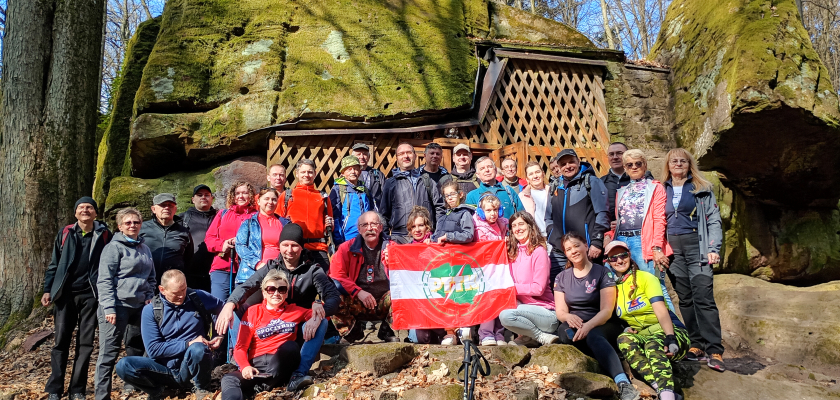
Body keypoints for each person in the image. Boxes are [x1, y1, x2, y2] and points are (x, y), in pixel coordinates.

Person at [217, 223, 339, 391]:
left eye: (294, 245)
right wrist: (229, 304)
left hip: (300, 324)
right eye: (285, 245)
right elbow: (247, 286)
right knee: (237, 309)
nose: (289, 250)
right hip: (271, 324)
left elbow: (333, 296)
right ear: (279, 246)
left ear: (301, 247)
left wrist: (319, 313)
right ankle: (240, 362)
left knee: (322, 321)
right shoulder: (271, 267)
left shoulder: (312, 271)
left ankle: (299, 374)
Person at [115, 270, 224, 400]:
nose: (181, 296)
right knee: (124, 365)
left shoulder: (197, 297)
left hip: (192, 364)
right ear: (162, 290)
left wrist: (219, 335)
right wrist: (188, 344)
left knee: (198, 348)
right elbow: (154, 349)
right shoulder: (151, 310)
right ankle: (157, 391)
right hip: (163, 369)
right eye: (176, 293)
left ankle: (202, 388)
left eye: (183, 289)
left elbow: (224, 310)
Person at [554, 235, 639, 400]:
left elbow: (606, 311)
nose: (573, 251)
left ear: (586, 246)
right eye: (569, 249)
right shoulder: (561, 277)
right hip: (577, 324)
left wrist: (588, 326)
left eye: (576, 246)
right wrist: (568, 317)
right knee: (565, 334)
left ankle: (623, 382)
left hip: (603, 323)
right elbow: (560, 311)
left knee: (593, 335)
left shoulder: (602, 272)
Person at [42, 197, 112, 400]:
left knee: (86, 344)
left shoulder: (104, 234)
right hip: (65, 295)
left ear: (95, 213)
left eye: (89, 207)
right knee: (60, 342)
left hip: (91, 296)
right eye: (81, 207)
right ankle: (55, 389)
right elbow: (54, 263)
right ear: (75, 212)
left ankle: (77, 389)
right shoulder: (65, 233)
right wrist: (48, 289)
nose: (85, 210)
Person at [663, 148, 725, 372]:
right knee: (686, 298)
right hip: (673, 252)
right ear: (668, 165)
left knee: (703, 298)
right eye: (674, 161)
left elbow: (714, 220)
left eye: (683, 161)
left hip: (697, 248)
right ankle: (696, 344)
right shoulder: (661, 189)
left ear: (690, 165)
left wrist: (713, 248)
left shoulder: (702, 188)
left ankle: (714, 349)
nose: (678, 164)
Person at [606, 241, 690, 400]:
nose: (619, 260)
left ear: (629, 255)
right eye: (613, 258)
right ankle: (663, 389)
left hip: (671, 331)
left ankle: (667, 397)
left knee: (653, 344)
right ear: (608, 262)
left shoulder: (646, 278)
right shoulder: (613, 287)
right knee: (623, 340)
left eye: (623, 255)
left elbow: (660, 309)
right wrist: (625, 328)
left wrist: (670, 336)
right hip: (644, 335)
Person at [220, 270, 323, 399]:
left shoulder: (295, 310)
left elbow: (324, 317)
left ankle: (271, 384)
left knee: (290, 347)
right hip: (257, 366)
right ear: (264, 293)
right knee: (228, 379)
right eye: (271, 289)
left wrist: (316, 304)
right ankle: (258, 387)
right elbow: (240, 347)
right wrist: (245, 366)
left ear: (286, 293)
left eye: (282, 289)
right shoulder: (252, 312)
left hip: (281, 362)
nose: (276, 293)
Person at [95, 207, 157, 400]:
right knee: (108, 354)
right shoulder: (113, 248)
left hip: (140, 306)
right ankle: (101, 396)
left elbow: (151, 278)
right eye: (128, 223)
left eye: (136, 222)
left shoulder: (145, 248)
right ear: (120, 226)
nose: (132, 225)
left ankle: (138, 386)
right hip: (117, 306)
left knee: (143, 347)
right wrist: (109, 307)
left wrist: (149, 295)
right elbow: (104, 280)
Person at [613, 149, 675, 311]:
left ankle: (673, 325)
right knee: (626, 285)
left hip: (642, 241)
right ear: (625, 168)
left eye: (638, 163)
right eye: (629, 165)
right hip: (622, 240)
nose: (634, 167)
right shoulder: (622, 190)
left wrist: (657, 247)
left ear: (645, 165)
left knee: (656, 286)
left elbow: (659, 219)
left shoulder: (655, 188)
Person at [330, 211, 397, 343]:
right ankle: (352, 332)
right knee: (333, 297)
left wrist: (394, 261)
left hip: (384, 302)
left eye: (374, 224)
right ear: (359, 229)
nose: (369, 228)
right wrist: (357, 291)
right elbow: (336, 274)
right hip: (357, 301)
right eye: (365, 225)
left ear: (381, 227)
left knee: (400, 295)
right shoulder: (345, 248)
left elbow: (405, 274)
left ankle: (388, 330)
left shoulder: (392, 247)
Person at [544, 149, 609, 283]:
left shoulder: (591, 182)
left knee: (587, 288)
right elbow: (548, 217)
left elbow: (602, 213)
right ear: (559, 167)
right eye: (563, 164)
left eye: (571, 162)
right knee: (557, 287)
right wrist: (552, 236)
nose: (568, 166)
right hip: (560, 250)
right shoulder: (555, 186)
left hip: (585, 249)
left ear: (578, 162)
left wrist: (596, 242)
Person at [498, 212, 558, 347]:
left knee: (506, 315)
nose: (517, 229)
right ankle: (528, 336)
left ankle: (540, 336)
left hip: (545, 312)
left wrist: (511, 288)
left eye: (521, 224)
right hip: (522, 311)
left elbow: (538, 288)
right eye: (514, 226)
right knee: (503, 311)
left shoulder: (539, 251)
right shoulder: (511, 252)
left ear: (530, 226)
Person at [277, 159, 334, 271]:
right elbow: (277, 223)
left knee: (324, 280)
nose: (306, 175)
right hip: (294, 249)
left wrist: (330, 225)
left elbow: (329, 227)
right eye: (303, 172)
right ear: (297, 174)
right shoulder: (287, 195)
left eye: (310, 172)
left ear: (315, 173)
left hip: (318, 248)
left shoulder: (323, 197)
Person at [204, 182, 257, 303]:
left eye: (245, 193)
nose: (241, 196)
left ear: (251, 195)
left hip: (247, 268)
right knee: (218, 305)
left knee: (243, 305)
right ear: (233, 196)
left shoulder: (256, 216)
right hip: (222, 266)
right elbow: (209, 239)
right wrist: (222, 245)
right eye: (237, 193)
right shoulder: (223, 214)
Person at [380, 143, 445, 242]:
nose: (406, 156)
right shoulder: (390, 183)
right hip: (400, 238)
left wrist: (437, 234)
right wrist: (385, 239)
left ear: (415, 156)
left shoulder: (427, 180)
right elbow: (384, 214)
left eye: (409, 153)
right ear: (397, 158)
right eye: (401, 154)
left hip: (425, 238)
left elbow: (440, 208)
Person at [471, 194, 510, 346]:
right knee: (487, 300)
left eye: (495, 210)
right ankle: (485, 334)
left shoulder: (503, 224)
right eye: (488, 210)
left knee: (500, 299)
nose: (493, 213)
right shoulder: (476, 227)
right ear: (481, 212)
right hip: (484, 270)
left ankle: (499, 334)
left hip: (500, 269)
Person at [235, 188, 290, 285]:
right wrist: (257, 264)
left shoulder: (285, 224)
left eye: (274, 199)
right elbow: (240, 245)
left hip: (279, 275)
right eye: (266, 199)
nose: (270, 202)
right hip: (252, 274)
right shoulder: (249, 223)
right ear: (259, 201)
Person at [140, 193, 194, 285]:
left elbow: (188, 258)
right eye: (163, 205)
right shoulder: (142, 228)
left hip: (172, 284)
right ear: (153, 209)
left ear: (175, 209)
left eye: (170, 205)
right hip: (145, 281)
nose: (167, 208)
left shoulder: (183, 232)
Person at [178, 185, 218, 291]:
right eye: (199, 195)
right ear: (193, 199)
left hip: (215, 274)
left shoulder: (220, 217)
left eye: (207, 195)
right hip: (190, 274)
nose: (203, 197)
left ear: (212, 198)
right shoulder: (182, 219)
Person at [330, 155, 375, 245]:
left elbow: (372, 212)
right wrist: (338, 241)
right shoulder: (338, 190)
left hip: (366, 237)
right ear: (343, 173)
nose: (353, 172)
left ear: (360, 171)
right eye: (349, 169)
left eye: (356, 169)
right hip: (347, 238)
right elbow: (335, 217)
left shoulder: (365, 190)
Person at [518, 161, 549, 236]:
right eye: (531, 174)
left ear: (543, 174)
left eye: (537, 172)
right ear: (527, 179)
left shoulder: (552, 192)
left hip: (552, 235)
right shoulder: (522, 196)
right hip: (534, 237)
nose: (535, 176)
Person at [352, 143, 385, 210]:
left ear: (369, 157)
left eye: (364, 154)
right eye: (358, 154)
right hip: (357, 213)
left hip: (375, 213)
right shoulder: (350, 175)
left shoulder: (378, 174)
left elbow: (385, 195)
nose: (361, 157)